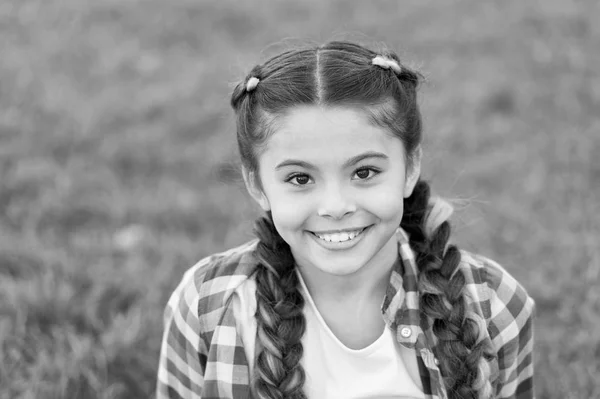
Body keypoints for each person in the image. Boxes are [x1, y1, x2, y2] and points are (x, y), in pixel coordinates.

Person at [156, 41, 535, 399]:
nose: (335, 206)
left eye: (365, 172)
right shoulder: (208, 305)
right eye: (300, 179)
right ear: (257, 184)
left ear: (410, 167)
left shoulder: (493, 305)